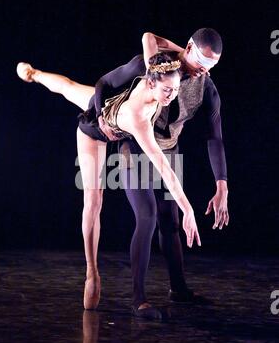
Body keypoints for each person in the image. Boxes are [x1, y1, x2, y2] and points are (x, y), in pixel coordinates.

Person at [16, 52, 201, 319]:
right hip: (95, 131)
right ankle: (92, 272)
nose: (171, 96)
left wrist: (185, 54)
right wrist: (188, 209)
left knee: (69, 87)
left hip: (114, 112)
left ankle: (34, 73)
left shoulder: (156, 75)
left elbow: (150, 38)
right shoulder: (139, 117)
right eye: (167, 90)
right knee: (94, 200)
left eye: (175, 89)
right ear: (151, 83)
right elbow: (164, 168)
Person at [93, 28, 229, 314]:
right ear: (188, 47)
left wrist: (222, 185)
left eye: (210, 68)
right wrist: (101, 117)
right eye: (200, 63)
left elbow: (214, 136)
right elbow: (104, 82)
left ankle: (178, 290)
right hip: (136, 147)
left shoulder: (205, 85)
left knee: (171, 222)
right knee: (148, 215)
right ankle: (138, 299)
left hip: (167, 150)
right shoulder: (153, 65)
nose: (202, 71)